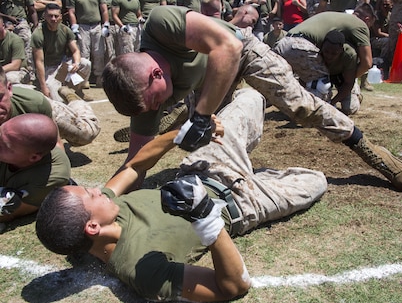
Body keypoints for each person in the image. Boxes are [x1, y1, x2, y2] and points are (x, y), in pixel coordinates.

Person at [35, 88, 327, 301]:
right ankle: (256, 174)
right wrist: (206, 218)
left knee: (251, 97)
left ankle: (208, 124)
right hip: (243, 202)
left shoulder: (108, 208)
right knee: (316, 180)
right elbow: (233, 287)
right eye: (91, 195)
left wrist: (179, 135)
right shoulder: (142, 271)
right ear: (92, 227)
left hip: (205, 164)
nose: (99, 189)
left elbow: (136, 164)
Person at [102, 5, 402, 191]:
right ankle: (183, 115)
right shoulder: (144, 95)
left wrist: (200, 115)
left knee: (300, 105)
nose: (152, 108)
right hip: (207, 83)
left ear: (156, 75)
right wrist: (107, 199)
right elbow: (135, 164)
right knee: (208, 129)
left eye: (156, 102)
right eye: (152, 107)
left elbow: (227, 48)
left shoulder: (160, 23)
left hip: (242, 50)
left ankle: (362, 144)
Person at [0, 65, 100, 147]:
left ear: (8, 89)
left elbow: (57, 148)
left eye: (0, 97)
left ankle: (74, 100)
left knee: (86, 133)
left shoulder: (34, 103)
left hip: (38, 105)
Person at [0, 113, 71, 225]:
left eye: (4, 145)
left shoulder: (51, 177)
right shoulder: (10, 140)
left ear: (34, 157)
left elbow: (8, 211)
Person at [275, 29, 361, 115]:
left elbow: (348, 83)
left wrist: (332, 102)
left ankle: (357, 94)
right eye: (326, 51)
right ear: (322, 46)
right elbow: (304, 79)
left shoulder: (350, 55)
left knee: (350, 108)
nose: (329, 56)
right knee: (320, 88)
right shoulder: (313, 53)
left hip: (342, 77)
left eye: (334, 53)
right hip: (324, 76)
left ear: (341, 50)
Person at [31, 3, 92, 102]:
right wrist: (43, 86)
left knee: (85, 64)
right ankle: (42, 84)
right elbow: (39, 62)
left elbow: (75, 50)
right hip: (48, 68)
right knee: (57, 99)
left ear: (60, 17)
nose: (53, 19)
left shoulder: (65, 30)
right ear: (45, 16)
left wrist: (76, 63)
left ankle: (78, 91)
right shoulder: (38, 34)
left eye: (56, 16)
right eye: (50, 16)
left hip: (62, 65)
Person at [66, 0, 109, 88]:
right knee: (84, 53)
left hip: (96, 25)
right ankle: (84, 79)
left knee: (99, 52)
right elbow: (71, 12)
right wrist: (74, 25)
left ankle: (99, 77)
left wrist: (106, 24)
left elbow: (104, 9)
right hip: (82, 26)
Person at [0, 0, 38, 78]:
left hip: (20, 21)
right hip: (5, 21)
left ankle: (30, 73)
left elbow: (32, 10)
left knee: (28, 43)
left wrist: (35, 25)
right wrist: (8, 17)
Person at [0, 15, 30, 85]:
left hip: (17, 71)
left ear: (3, 26)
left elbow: (15, 65)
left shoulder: (15, 40)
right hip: (2, 70)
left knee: (8, 78)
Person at [371, 0, 392, 78]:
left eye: (387, 4)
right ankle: (382, 62)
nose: (385, 6)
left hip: (387, 38)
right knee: (387, 42)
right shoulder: (377, 16)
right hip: (374, 39)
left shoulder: (391, 15)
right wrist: (391, 36)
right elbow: (378, 33)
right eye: (383, 4)